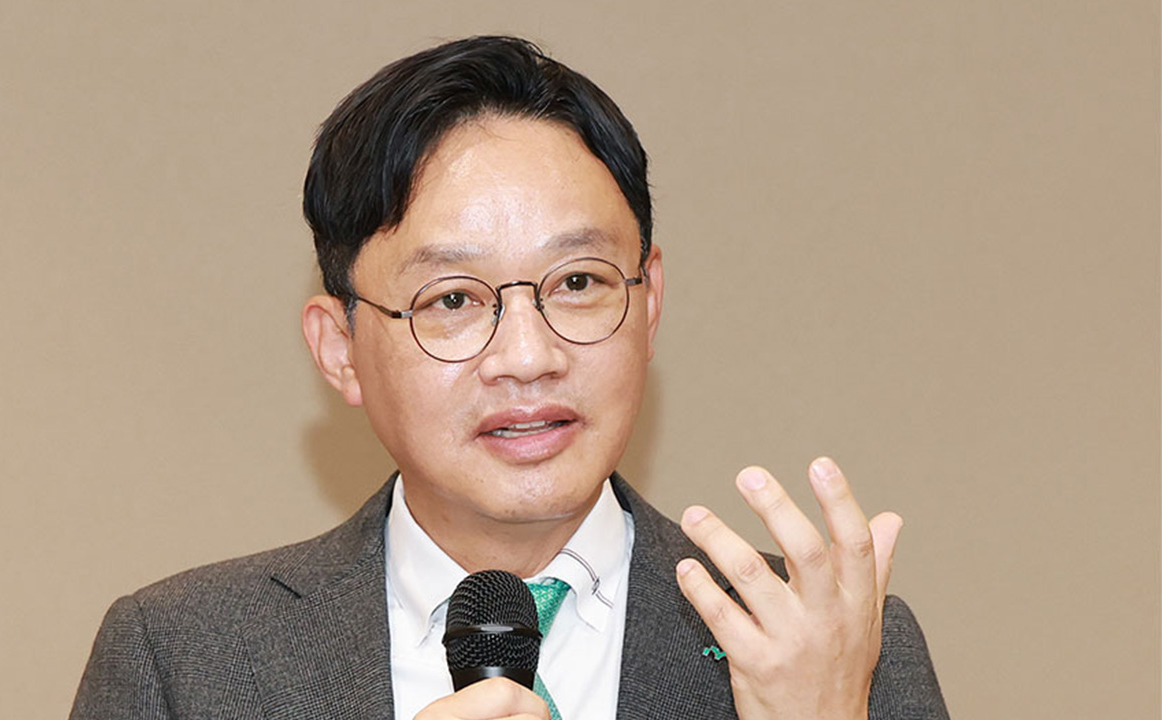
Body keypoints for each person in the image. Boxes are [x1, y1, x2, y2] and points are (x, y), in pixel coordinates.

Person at [70, 35, 948, 720]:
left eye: (578, 283)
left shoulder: (833, 645)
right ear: (339, 347)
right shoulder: (184, 659)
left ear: (649, 305)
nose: (529, 357)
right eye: (453, 298)